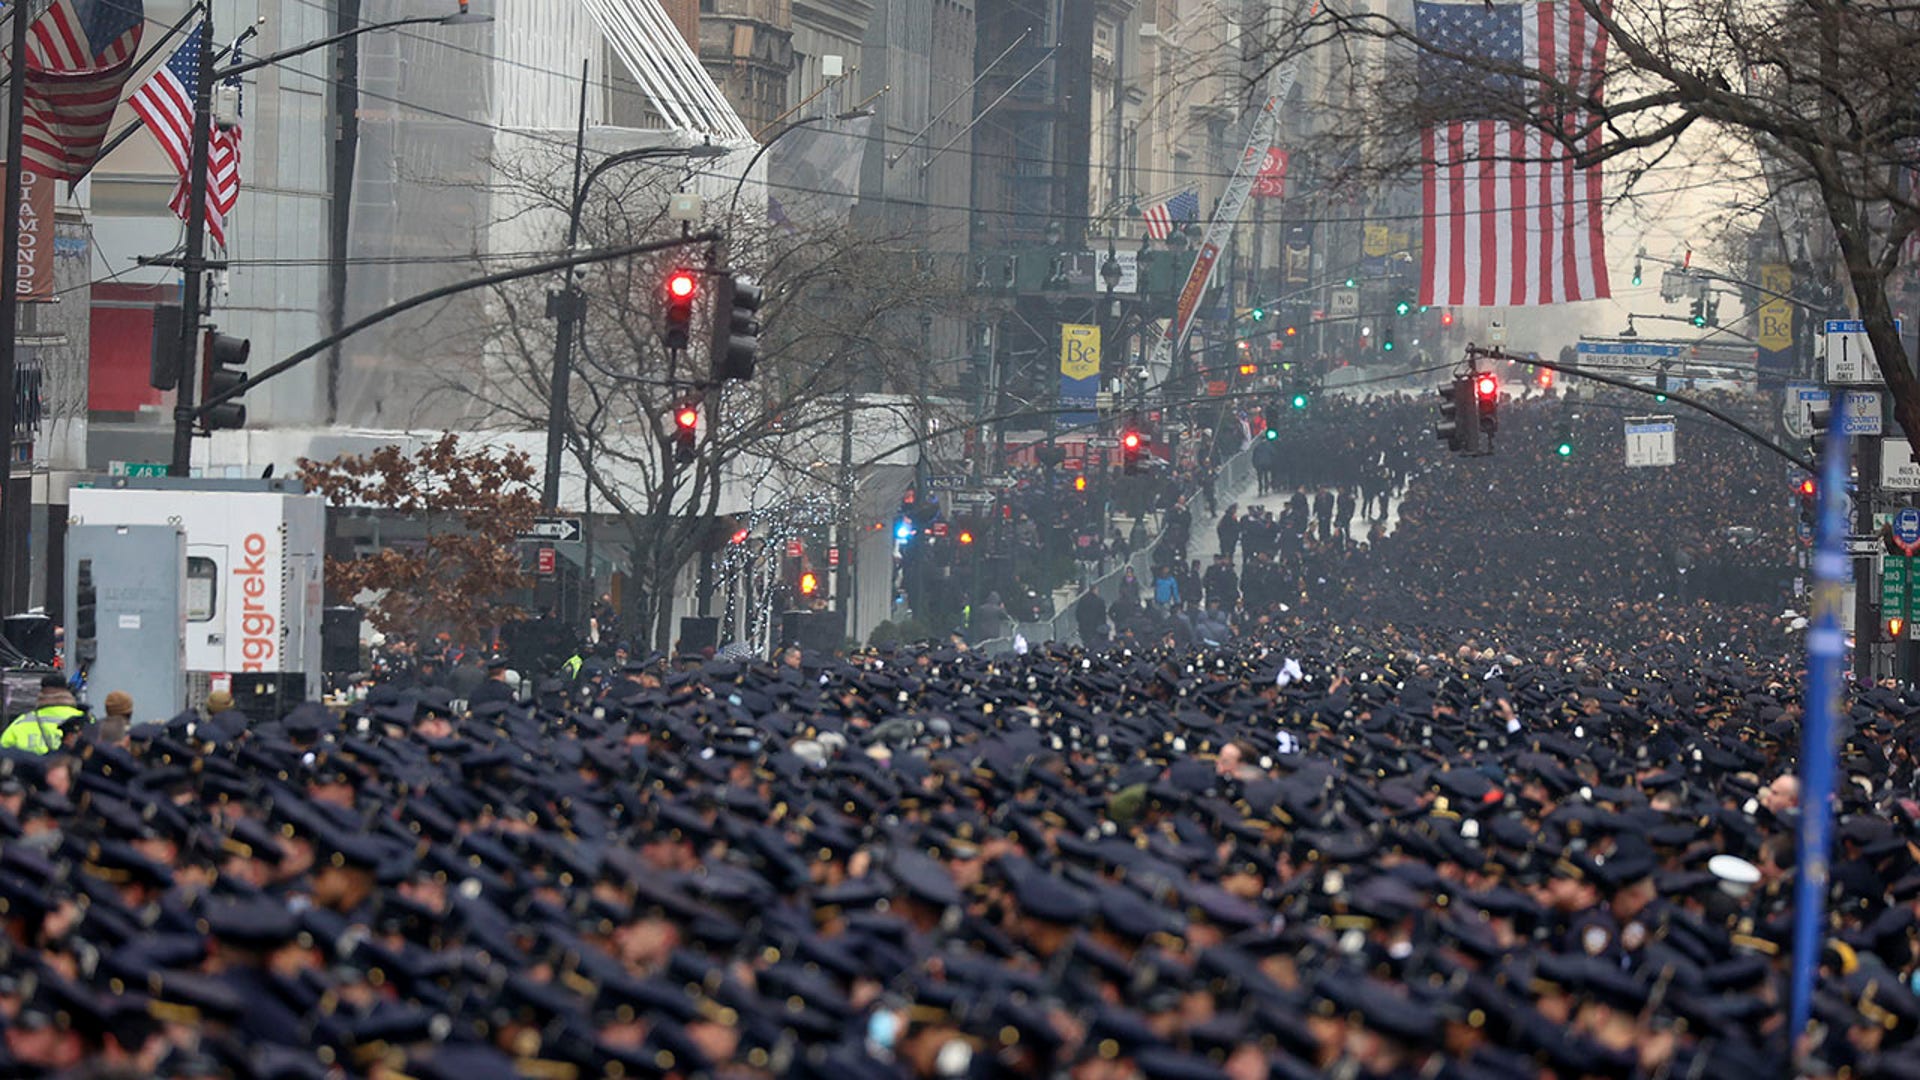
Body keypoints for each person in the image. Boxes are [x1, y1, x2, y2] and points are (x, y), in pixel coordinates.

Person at [0, 674, 86, 755]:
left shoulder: (21, 723)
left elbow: (3, 751)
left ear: (41, 693)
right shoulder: (84, 719)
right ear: (67, 692)